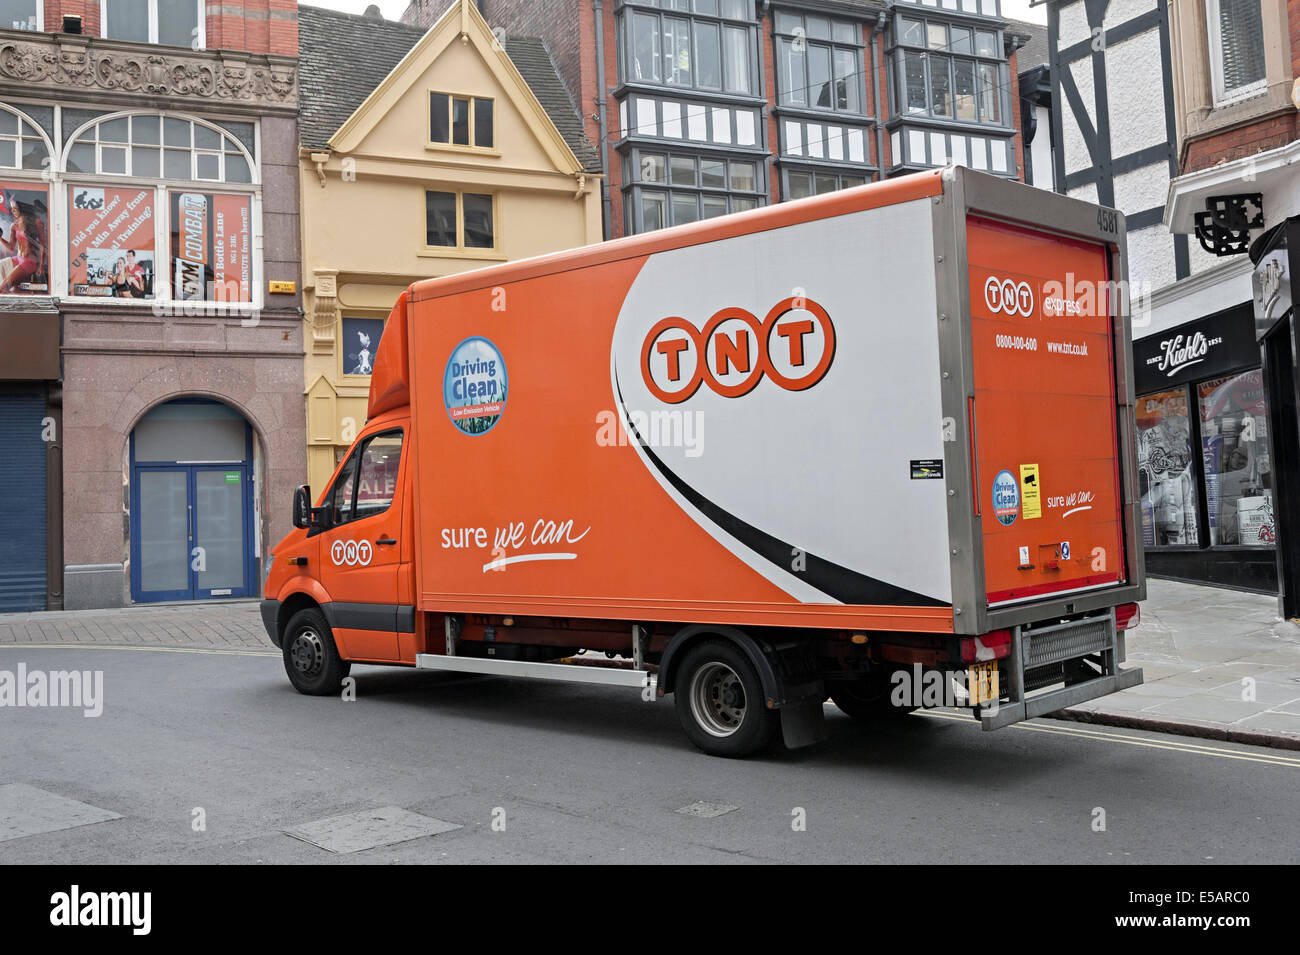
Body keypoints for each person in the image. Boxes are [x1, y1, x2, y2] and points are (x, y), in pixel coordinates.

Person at [0, 200, 45, 293]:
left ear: (22, 208)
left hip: (29, 261)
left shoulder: (36, 222)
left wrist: (41, 265)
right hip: (18, 258)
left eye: (15, 208)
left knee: (2, 288)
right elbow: (11, 247)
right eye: (11, 209)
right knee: (16, 291)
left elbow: (42, 244)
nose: (13, 211)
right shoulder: (14, 225)